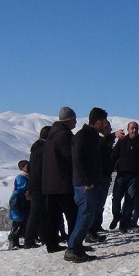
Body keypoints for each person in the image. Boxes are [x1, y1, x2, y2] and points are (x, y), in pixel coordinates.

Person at [64, 107, 109, 263]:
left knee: (86, 216)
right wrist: (87, 181)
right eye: (104, 121)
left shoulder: (93, 136)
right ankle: (72, 249)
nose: (106, 124)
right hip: (85, 185)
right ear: (97, 122)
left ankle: (76, 245)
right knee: (85, 216)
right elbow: (77, 160)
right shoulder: (83, 136)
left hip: (91, 183)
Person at [42, 106, 78, 254]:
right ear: (69, 120)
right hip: (62, 182)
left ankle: (51, 244)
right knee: (73, 215)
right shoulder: (64, 135)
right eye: (74, 120)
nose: (75, 122)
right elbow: (70, 157)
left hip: (50, 183)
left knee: (53, 216)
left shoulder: (51, 135)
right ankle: (74, 243)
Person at [110, 121, 139, 233]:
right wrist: (109, 170)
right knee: (116, 198)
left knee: (129, 201)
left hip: (134, 176)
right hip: (121, 175)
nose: (134, 130)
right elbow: (113, 156)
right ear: (128, 129)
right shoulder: (122, 141)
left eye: (136, 128)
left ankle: (124, 224)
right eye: (132, 128)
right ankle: (116, 215)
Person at [90, 121, 124, 236]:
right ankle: (92, 228)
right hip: (99, 177)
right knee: (96, 204)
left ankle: (97, 225)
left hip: (106, 176)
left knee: (101, 203)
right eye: (107, 128)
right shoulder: (99, 141)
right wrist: (114, 135)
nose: (108, 130)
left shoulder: (109, 143)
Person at [24, 126, 51, 249]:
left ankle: (43, 237)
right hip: (38, 185)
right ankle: (29, 240)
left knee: (41, 212)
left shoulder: (36, 148)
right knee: (36, 213)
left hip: (36, 184)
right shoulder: (42, 150)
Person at [8, 160, 30, 250]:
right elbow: (22, 188)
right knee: (17, 222)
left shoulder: (26, 177)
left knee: (21, 222)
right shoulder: (21, 178)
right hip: (18, 200)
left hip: (22, 200)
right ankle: (12, 241)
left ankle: (15, 242)